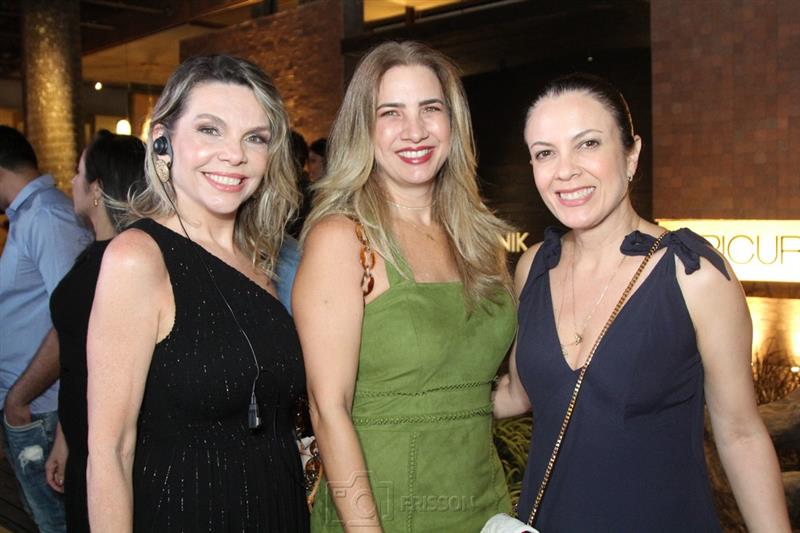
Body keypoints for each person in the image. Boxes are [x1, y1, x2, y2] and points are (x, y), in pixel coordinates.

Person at [492, 73, 791, 532]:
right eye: (545, 153)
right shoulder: (533, 267)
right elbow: (517, 393)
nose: (565, 170)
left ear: (631, 155)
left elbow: (741, 434)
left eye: (588, 144)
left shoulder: (694, 274)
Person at [293, 41, 515, 532]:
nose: (415, 130)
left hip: (483, 507)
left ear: (453, 123)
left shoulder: (480, 240)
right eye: (390, 112)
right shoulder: (342, 238)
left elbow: (485, 393)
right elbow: (328, 410)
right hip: (382, 512)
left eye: (430, 109)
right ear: (363, 128)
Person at [85, 55, 309, 532]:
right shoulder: (138, 258)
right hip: (187, 514)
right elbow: (109, 451)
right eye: (210, 130)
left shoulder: (257, 259)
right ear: (162, 141)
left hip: (279, 511)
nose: (234, 154)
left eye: (255, 138)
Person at [44, 130, 146, 533]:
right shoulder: (96, 255)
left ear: (98, 188)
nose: (71, 181)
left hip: (110, 453)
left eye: (78, 172)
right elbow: (78, 360)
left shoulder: (125, 265)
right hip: (84, 440)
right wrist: (65, 438)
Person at [0, 125, 91, 533]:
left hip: (41, 409)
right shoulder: (29, 216)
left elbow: (74, 319)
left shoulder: (46, 217)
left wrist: (18, 399)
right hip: (32, 408)